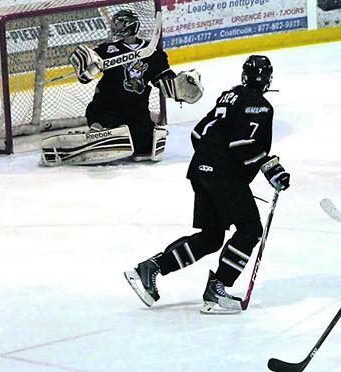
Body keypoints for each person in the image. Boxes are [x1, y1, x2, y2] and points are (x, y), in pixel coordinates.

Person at [124, 55, 290, 314]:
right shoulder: (260, 105)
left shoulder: (229, 96)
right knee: (250, 230)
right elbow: (243, 146)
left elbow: (198, 133)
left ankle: (151, 267)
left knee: (211, 237)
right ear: (268, 79)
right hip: (223, 175)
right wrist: (268, 166)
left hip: (200, 170)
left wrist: (210, 161)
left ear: (245, 76)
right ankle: (218, 286)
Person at [41, 9, 203, 166]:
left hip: (137, 110)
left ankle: (131, 135)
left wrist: (180, 87)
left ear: (130, 26)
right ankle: (97, 131)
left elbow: (164, 81)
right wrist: (87, 65)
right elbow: (85, 74)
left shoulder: (153, 53)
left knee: (144, 150)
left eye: (119, 24)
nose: (115, 28)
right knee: (101, 114)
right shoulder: (107, 50)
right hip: (108, 106)